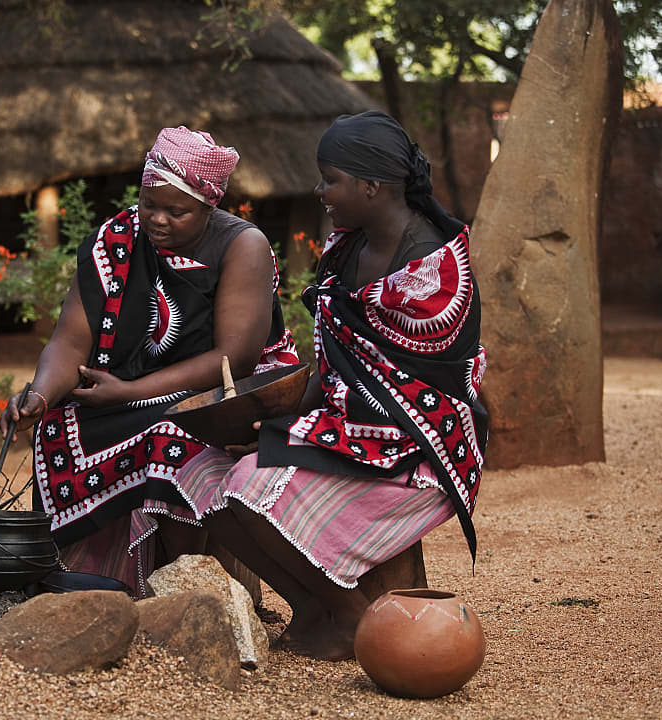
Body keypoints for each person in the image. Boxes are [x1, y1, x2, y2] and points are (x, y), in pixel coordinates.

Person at [174, 111, 488, 661]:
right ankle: (314, 606)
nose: (320, 190)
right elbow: (337, 368)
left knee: (251, 484)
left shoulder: (432, 270)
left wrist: (288, 430)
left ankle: (349, 617)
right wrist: (270, 422)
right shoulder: (348, 248)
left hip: (419, 447)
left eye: (330, 178)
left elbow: (404, 401)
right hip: (354, 429)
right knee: (200, 469)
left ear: (371, 186)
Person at [0, 126, 298, 595]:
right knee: (59, 425)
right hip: (134, 387)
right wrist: (38, 394)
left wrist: (130, 391)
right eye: (149, 204)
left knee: (170, 436)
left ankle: (181, 587)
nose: (157, 219)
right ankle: (81, 574)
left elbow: (234, 357)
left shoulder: (242, 246)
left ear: (208, 205)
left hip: (222, 391)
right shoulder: (117, 239)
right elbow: (70, 342)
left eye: (176, 211)